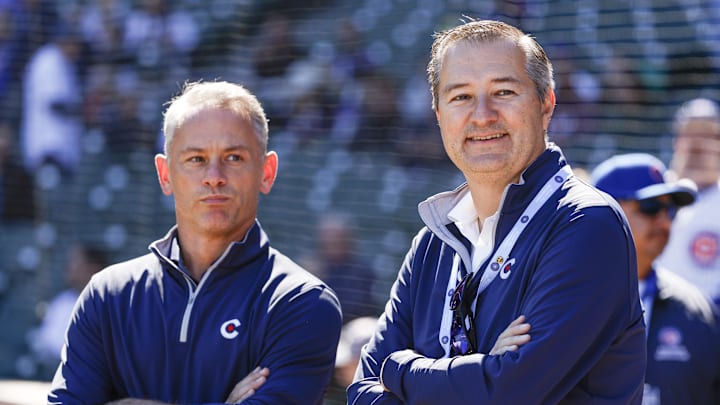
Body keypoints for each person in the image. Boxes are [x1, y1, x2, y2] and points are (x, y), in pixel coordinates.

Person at [348, 19, 646, 404]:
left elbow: (508, 393)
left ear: (546, 104)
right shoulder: (432, 244)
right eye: (461, 97)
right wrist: (482, 367)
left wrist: (400, 369)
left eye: (503, 92)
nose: (483, 115)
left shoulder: (587, 224)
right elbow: (360, 392)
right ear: (438, 114)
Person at [48, 81, 343, 404]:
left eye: (233, 157)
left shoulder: (301, 303)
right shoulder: (108, 295)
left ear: (267, 171)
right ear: (164, 174)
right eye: (196, 159)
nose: (214, 176)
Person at [591, 153, 720, 404]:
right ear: (602, 212)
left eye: (669, 210)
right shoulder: (554, 299)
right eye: (650, 207)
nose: (663, 221)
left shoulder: (699, 311)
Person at [657, 97, 720, 306]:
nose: (698, 144)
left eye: (707, 134)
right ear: (677, 141)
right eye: (690, 133)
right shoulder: (651, 197)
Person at [28, 243, 107, 376]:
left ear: (93, 268)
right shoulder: (63, 300)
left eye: (75, 262)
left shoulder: (109, 303)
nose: (69, 267)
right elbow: (45, 342)